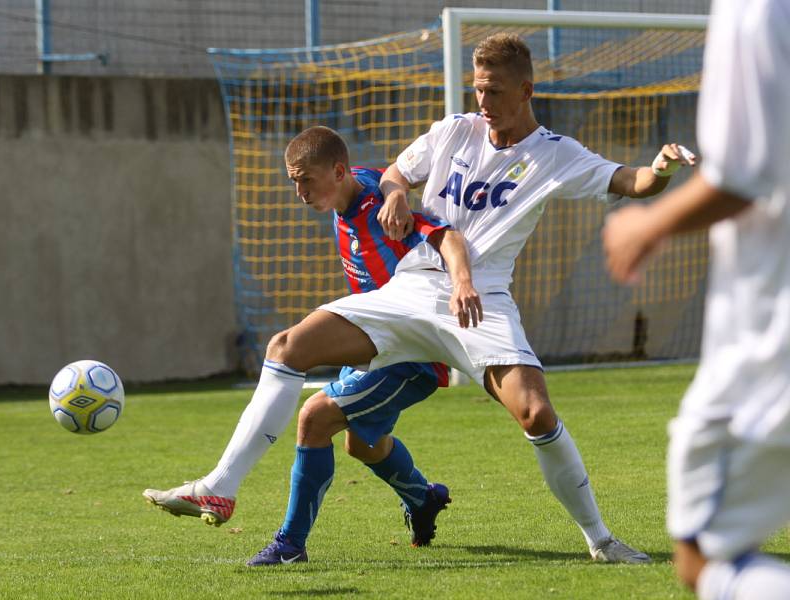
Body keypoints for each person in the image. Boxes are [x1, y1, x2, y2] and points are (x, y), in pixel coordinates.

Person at [148, 32, 691, 567]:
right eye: (478, 89)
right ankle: (220, 486)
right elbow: (395, 173)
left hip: (482, 298)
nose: (483, 102)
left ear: (526, 91)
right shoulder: (455, 130)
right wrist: (396, 195)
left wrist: (660, 167)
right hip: (411, 288)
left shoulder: (555, 154)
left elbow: (634, 182)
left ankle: (600, 539)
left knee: (536, 412)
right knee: (287, 346)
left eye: (495, 91)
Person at [145, 125, 475, 558]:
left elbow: (444, 235)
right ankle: (423, 497)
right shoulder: (356, 186)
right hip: (375, 342)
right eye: (293, 180)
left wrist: (461, 282)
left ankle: (281, 537)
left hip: (411, 354)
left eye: (306, 179)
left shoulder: (381, 211)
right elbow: (387, 174)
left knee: (312, 410)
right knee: (363, 444)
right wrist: (396, 185)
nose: (299, 191)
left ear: (338, 172)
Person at [603, 1, 790, 598]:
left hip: (770, 342)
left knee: (705, 559)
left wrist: (646, 225)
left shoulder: (755, 11)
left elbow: (740, 176)